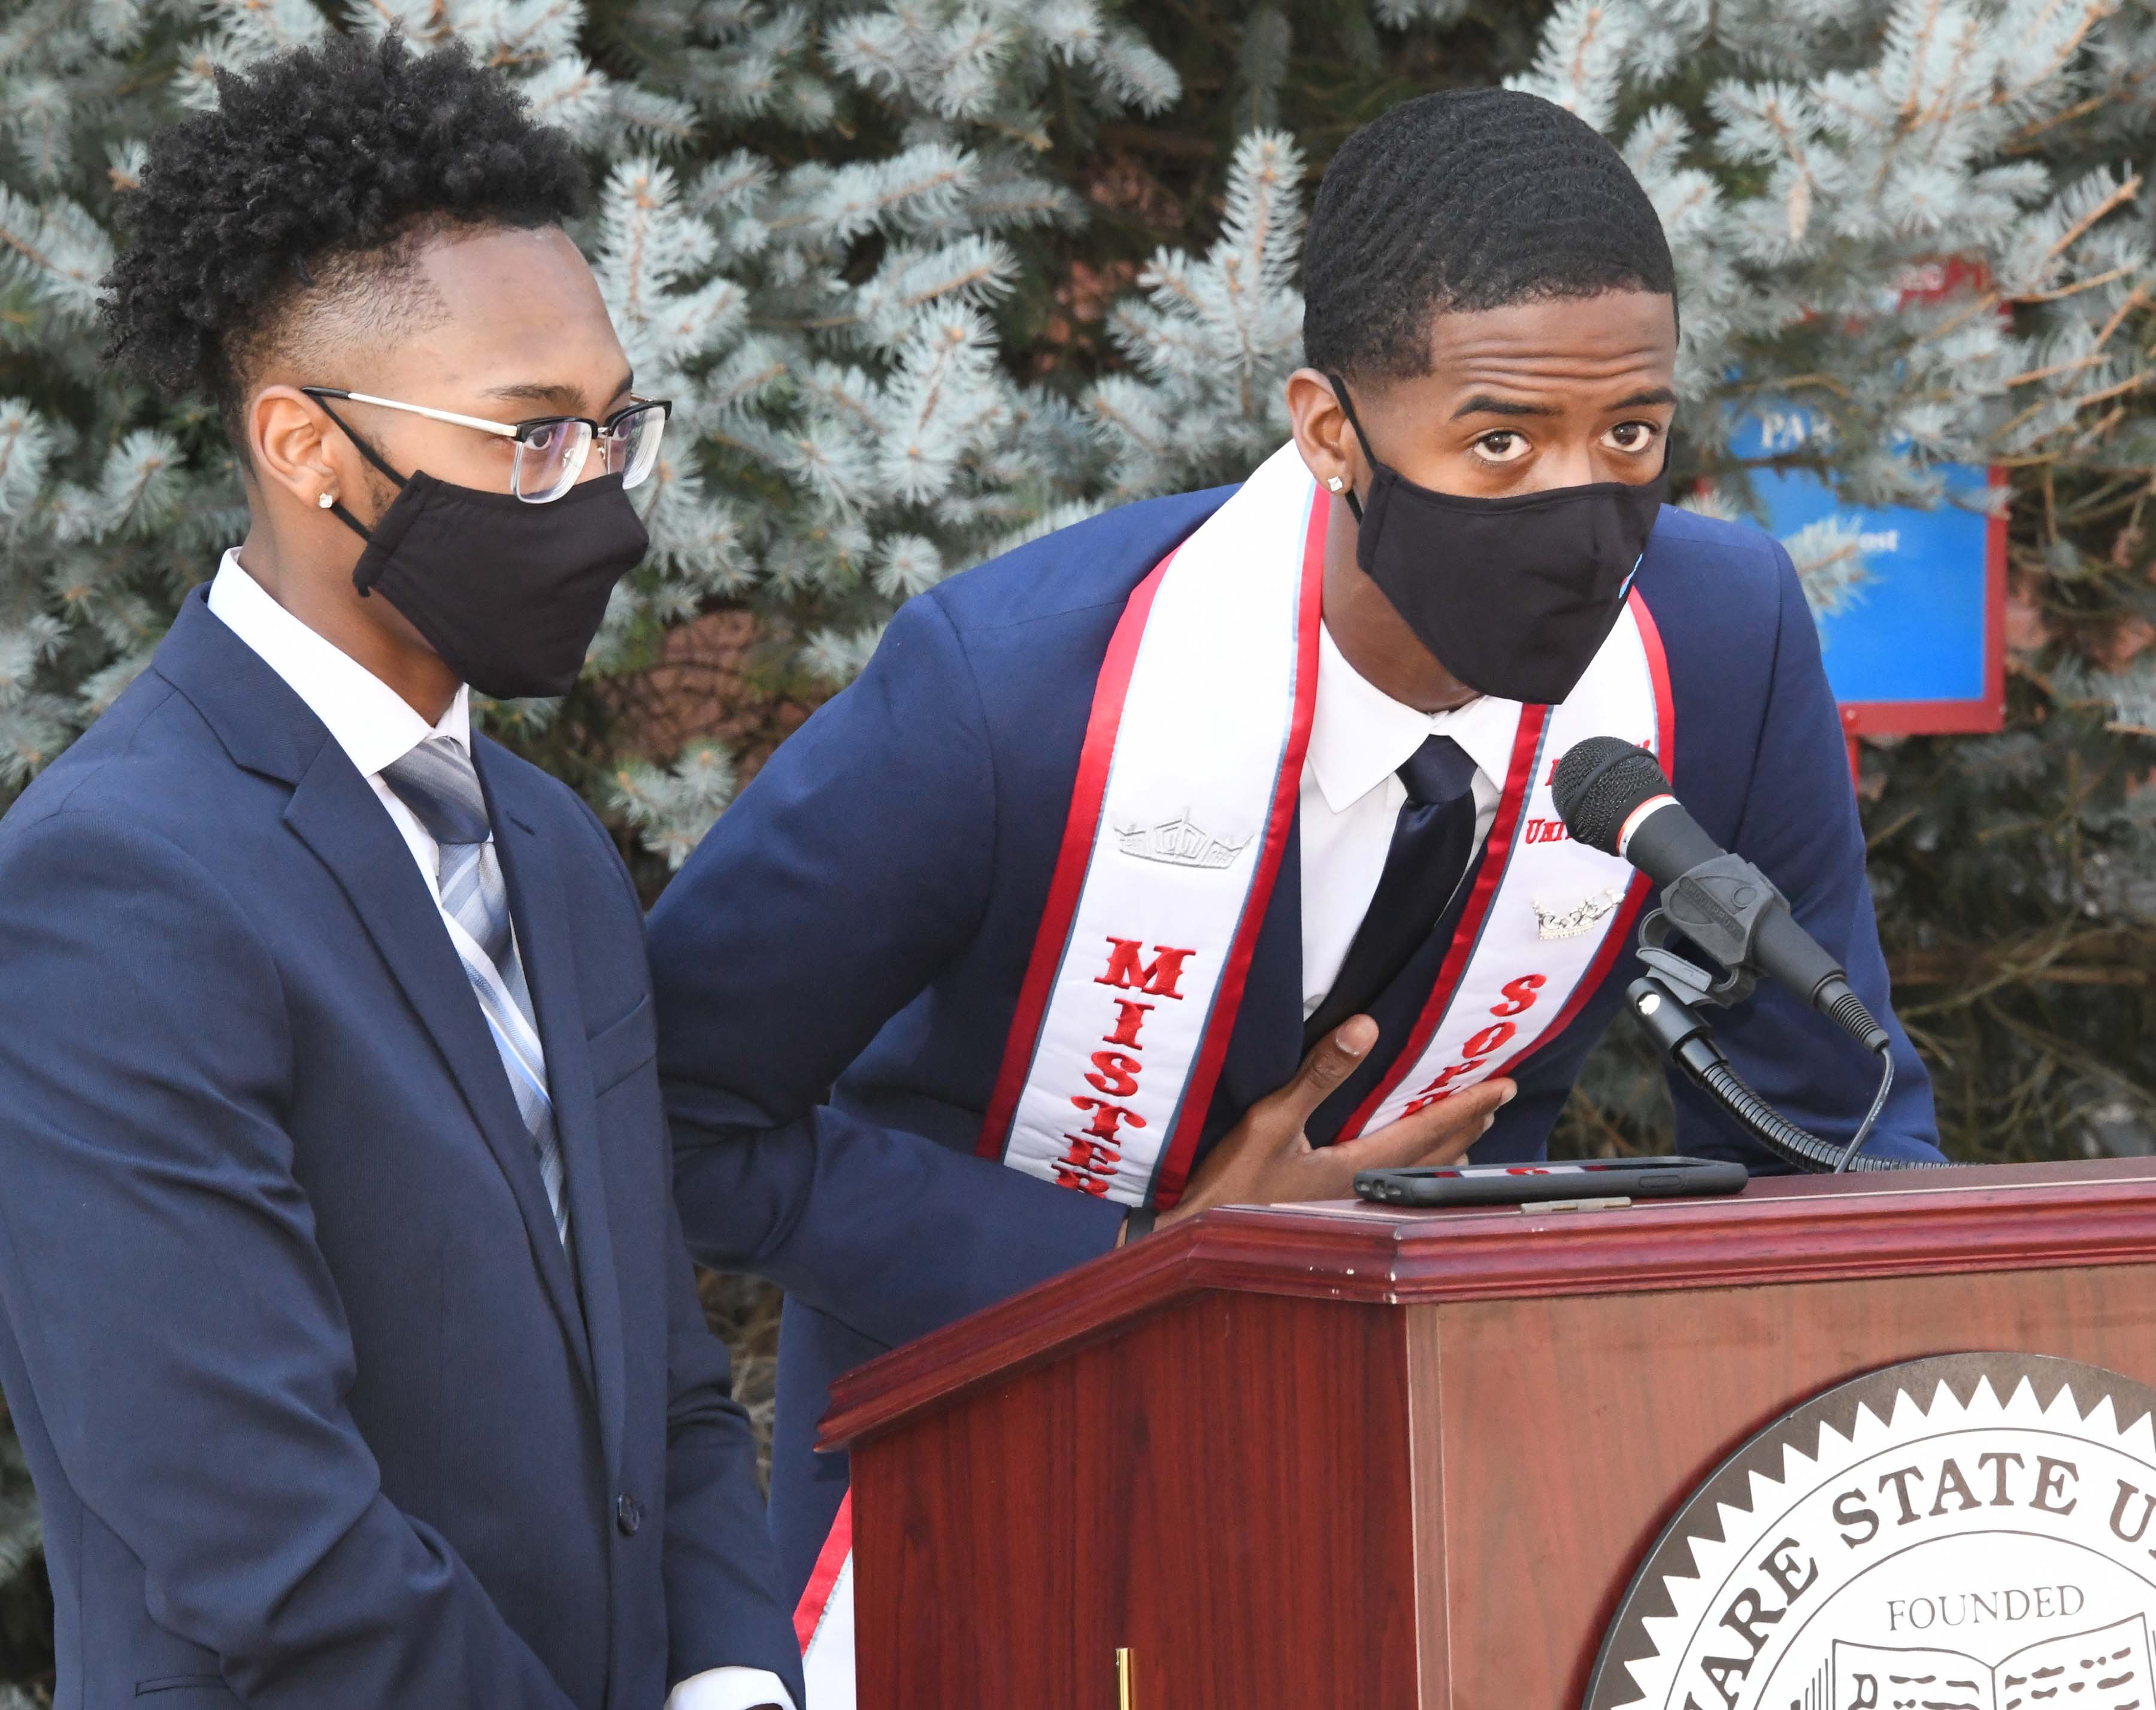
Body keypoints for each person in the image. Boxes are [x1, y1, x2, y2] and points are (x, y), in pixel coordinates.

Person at [647, 87, 1946, 1702]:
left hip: (1462, 1511)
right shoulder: (1017, 696)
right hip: (990, 1482)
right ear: (1333, 433)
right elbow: (672, 1110)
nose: (1587, 505)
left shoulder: (1719, 639)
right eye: (1499, 440)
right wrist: (1154, 1249)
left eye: (1631, 432)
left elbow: (1839, 1123)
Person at [0, 35, 798, 1710]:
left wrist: (735, 1679)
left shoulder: (554, 850)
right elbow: (255, 1533)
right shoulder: (108, 887)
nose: (595, 498)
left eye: (611, 428)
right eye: (526, 439)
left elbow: (666, 1384)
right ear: (304, 447)